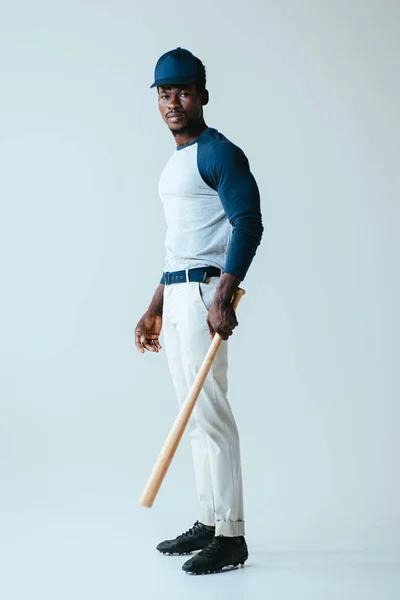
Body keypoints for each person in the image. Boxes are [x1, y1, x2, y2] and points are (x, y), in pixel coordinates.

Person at [135, 47, 263, 575]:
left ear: (203, 95)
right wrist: (153, 308)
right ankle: (209, 520)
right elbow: (178, 246)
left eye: (183, 92)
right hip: (179, 292)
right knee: (191, 419)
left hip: (207, 294)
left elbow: (249, 221)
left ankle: (232, 535)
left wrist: (224, 294)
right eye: (165, 94)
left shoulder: (219, 153)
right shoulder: (174, 162)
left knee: (211, 416)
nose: (173, 103)